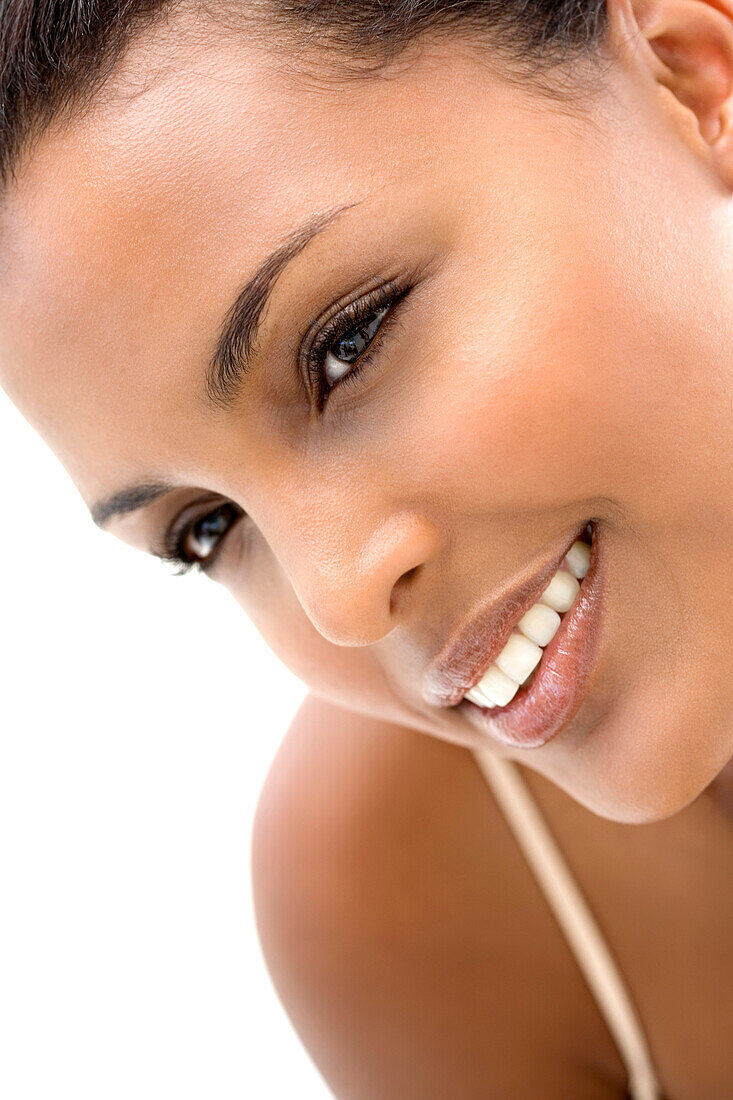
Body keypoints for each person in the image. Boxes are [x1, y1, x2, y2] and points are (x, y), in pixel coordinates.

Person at [1, 0, 731, 1095]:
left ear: (689, 76)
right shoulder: (398, 888)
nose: (342, 598)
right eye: (210, 528)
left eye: (347, 343)